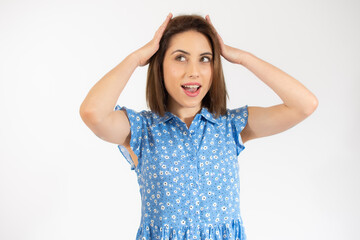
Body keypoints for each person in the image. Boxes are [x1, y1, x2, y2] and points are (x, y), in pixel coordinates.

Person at [79, 13, 318, 240]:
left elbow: (304, 105)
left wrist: (242, 57)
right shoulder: (142, 130)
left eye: (205, 59)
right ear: (160, 64)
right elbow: (93, 113)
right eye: (180, 57)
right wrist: (137, 58)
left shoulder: (230, 126)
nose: (193, 71)